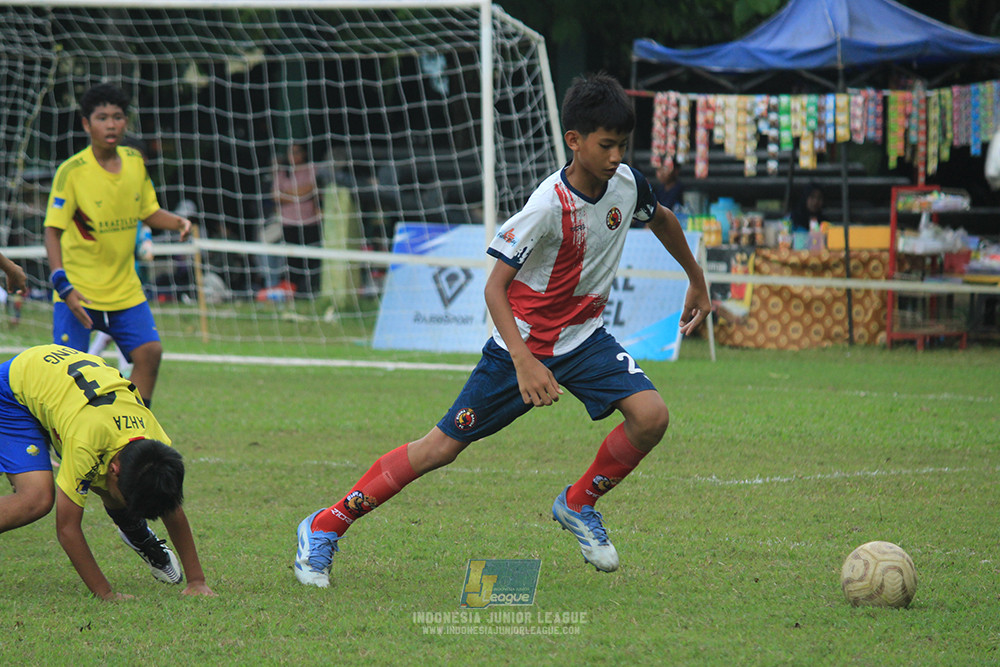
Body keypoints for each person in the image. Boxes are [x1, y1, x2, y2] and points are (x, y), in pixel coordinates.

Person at [293, 73, 711, 587]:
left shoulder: (627, 182)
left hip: (585, 339)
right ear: (574, 141)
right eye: (606, 145)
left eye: (623, 145)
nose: (615, 156)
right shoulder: (546, 206)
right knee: (438, 449)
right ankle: (323, 525)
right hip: (521, 348)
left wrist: (696, 278)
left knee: (651, 417)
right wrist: (523, 360)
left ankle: (578, 503)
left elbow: (661, 217)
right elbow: (495, 289)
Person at [0, 344, 215, 600]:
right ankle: (135, 531)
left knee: (114, 488)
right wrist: (106, 594)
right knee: (36, 499)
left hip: (60, 386)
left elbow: (171, 506)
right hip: (13, 393)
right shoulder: (86, 444)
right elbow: (67, 529)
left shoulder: (156, 442)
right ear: (116, 469)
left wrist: (197, 581)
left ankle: (136, 533)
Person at [43, 83, 192, 409]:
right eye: (101, 117)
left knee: (149, 354)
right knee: (70, 374)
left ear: (126, 121)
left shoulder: (135, 163)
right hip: (79, 291)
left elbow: (149, 212)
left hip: (125, 290)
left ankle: (132, 433)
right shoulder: (71, 173)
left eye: (118, 117)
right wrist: (61, 283)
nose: (111, 124)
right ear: (86, 124)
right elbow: (52, 231)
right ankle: (65, 444)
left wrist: (178, 222)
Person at [273, 142, 323, 298]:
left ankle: (310, 291)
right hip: (288, 222)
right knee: (293, 260)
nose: (293, 156)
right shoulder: (282, 172)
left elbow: (313, 189)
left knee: (312, 259)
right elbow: (276, 196)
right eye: (291, 152)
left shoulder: (313, 169)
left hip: (310, 222)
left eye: (297, 152)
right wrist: (301, 194)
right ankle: (294, 293)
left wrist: (288, 194)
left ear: (304, 153)